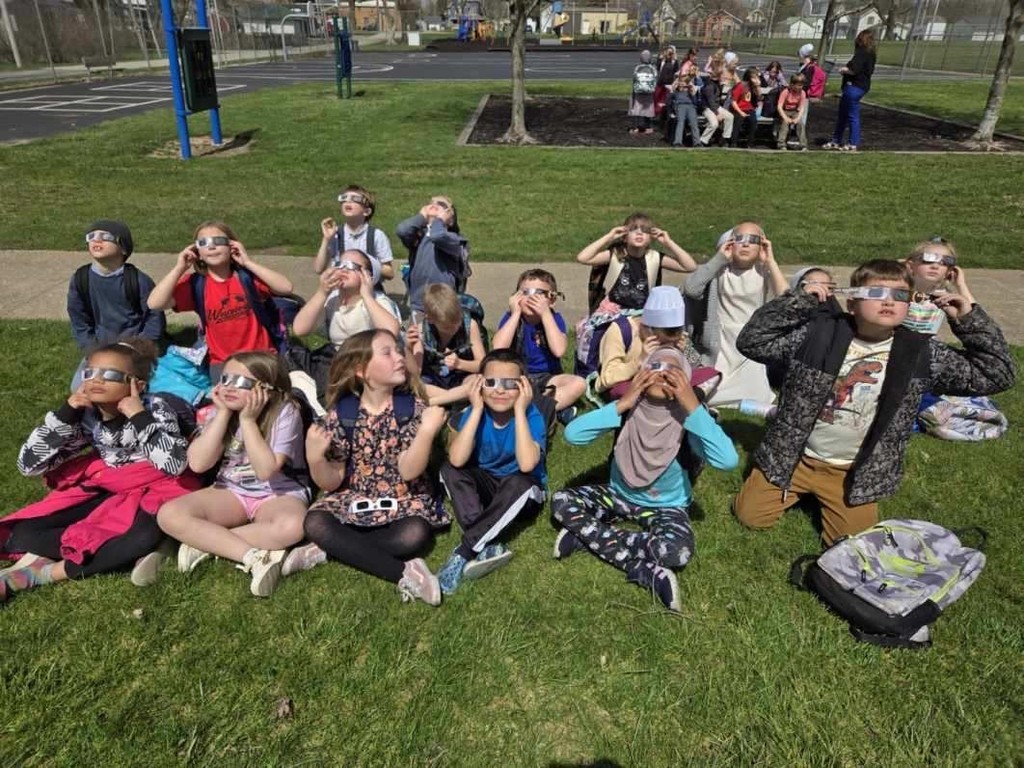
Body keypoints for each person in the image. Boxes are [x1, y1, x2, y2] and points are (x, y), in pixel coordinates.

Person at [732, 259, 1015, 545]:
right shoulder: (817, 335)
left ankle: (831, 498)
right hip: (793, 459)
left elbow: (996, 374)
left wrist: (966, 321)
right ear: (852, 303)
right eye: (876, 293)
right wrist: (798, 301)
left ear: (911, 304)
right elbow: (752, 341)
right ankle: (788, 488)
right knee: (751, 518)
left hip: (853, 472)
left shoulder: (921, 353)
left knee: (849, 543)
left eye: (900, 295)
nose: (889, 301)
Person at [0, 338, 197, 602]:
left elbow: (173, 464)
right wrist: (66, 414)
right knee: (25, 532)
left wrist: (139, 417)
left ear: (137, 385)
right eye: (90, 372)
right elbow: (29, 464)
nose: (97, 380)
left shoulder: (156, 408)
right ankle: (114, 549)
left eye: (111, 374)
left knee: (139, 536)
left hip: (158, 491)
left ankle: (42, 574)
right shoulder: (89, 417)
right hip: (111, 486)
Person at [551, 349, 738, 612]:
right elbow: (572, 434)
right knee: (561, 500)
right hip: (617, 495)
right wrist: (622, 403)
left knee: (676, 551)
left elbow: (727, 460)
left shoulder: (689, 419)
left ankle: (588, 537)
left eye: (673, 372)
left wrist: (693, 407)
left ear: (686, 382)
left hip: (666, 507)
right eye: (655, 367)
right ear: (641, 376)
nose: (662, 375)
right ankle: (639, 568)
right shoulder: (628, 409)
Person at [281, 329, 449, 606]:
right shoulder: (343, 413)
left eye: (398, 351)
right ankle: (405, 572)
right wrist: (315, 458)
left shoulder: (412, 409)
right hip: (355, 495)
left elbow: (409, 472)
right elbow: (332, 482)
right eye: (388, 353)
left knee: (413, 535)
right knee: (314, 522)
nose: (399, 357)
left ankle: (330, 550)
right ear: (362, 370)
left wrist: (427, 433)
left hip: (403, 498)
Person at [156, 352, 310, 597]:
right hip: (231, 490)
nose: (229, 388)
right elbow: (197, 464)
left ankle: (204, 544)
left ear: (267, 389)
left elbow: (266, 471)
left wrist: (248, 422)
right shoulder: (220, 411)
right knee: (169, 514)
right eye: (225, 379)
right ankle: (255, 556)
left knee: (293, 526)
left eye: (241, 383)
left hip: (278, 492)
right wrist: (223, 415)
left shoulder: (285, 410)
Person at [435, 350, 548, 594]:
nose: (499, 390)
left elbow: (528, 465)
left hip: (523, 493)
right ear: (479, 384)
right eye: (491, 382)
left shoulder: (532, 416)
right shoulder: (474, 413)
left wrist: (520, 411)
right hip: (488, 486)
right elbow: (456, 459)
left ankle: (463, 552)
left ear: (524, 387)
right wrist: (475, 410)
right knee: (449, 469)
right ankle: (489, 540)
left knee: (521, 482)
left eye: (510, 384)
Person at [147, 221, 295, 380]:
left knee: (267, 400)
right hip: (222, 362)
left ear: (232, 246)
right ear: (197, 252)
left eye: (218, 241)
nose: (212, 246)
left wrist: (248, 262)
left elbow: (286, 287)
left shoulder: (247, 277)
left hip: (261, 357)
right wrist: (179, 268)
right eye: (203, 243)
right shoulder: (196, 284)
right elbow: (154, 303)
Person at [682, 223, 788, 408]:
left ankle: (749, 401)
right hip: (722, 337)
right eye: (740, 239)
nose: (746, 245)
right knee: (716, 387)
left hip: (751, 337)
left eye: (753, 240)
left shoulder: (763, 271)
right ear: (730, 243)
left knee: (754, 388)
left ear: (762, 245)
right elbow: (691, 289)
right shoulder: (720, 271)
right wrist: (719, 259)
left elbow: (787, 300)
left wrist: (771, 261)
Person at [290, 248, 401, 401]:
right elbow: (300, 329)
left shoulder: (377, 301)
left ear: (368, 276)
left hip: (366, 361)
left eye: (352, 266)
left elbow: (391, 332)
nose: (343, 269)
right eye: (339, 264)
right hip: (337, 359)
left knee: (331, 382)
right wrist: (322, 292)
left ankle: (329, 405)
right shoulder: (332, 300)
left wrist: (367, 296)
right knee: (293, 355)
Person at [492, 269, 585, 425]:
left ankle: (533, 408)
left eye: (538, 293)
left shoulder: (555, 319)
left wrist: (545, 314)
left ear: (552, 300)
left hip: (547, 377)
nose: (531, 298)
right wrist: (515, 314)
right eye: (525, 292)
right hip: (517, 376)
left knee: (579, 384)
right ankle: (552, 408)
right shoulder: (511, 318)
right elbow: (498, 348)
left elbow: (559, 350)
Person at [68, 219, 165, 362]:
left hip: (135, 349)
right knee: (80, 384)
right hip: (99, 348)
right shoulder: (80, 279)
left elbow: (155, 317)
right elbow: (79, 319)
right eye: (91, 237)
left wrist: (140, 346)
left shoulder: (138, 280)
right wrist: (91, 347)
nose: (97, 240)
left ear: (123, 248)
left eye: (106, 237)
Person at [595, 286, 703, 400]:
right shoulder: (620, 331)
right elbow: (607, 379)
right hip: (632, 384)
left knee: (711, 375)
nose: (665, 346)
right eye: (662, 342)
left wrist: (684, 353)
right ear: (646, 328)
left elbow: (697, 365)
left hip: (663, 378)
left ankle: (691, 404)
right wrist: (640, 360)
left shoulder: (677, 334)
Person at [577, 213, 696, 314]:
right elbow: (583, 258)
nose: (639, 233)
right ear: (624, 237)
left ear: (651, 238)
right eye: (634, 229)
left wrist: (669, 243)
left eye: (645, 231)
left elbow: (690, 266)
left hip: (643, 312)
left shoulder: (655, 257)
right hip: (613, 311)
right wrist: (609, 237)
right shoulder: (616, 254)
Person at [405, 283, 486, 407]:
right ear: (430, 319)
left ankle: (434, 402)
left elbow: (483, 365)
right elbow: (417, 371)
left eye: (458, 320)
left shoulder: (470, 325)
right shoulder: (421, 331)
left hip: (462, 377)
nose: (455, 328)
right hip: (434, 380)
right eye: (447, 327)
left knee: (476, 381)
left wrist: (460, 364)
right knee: (417, 384)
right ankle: (456, 399)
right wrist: (409, 347)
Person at [396, 195, 470, 315]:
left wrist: (439, 221)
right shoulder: (419, 237)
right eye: (430, 203)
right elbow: (402, 230)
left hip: (443, 302)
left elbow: (437, 236)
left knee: (439, 332)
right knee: (416, 333)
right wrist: (421, 217)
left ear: (451, 219)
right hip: (418, 302)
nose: (434, 204)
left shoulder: (454, 239)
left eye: (442, 205)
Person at [314, 184, 395, 283]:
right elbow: (318, 269)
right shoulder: (336, 234)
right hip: (340, 287)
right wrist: (326, 239)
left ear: (366, 211)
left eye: (355, 199)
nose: (348, 201)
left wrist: (364, 263)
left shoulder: (377, 235)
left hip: (370, 289)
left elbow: (390, 272)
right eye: (344, 199)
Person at [903, 237, 975, 337]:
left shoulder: (944, 295)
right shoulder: (900, 290)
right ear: (911, 266)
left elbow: (974, 317)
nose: (935, 266)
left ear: (949, 271)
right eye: (928, 260)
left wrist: (961, 285)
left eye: (944, 263)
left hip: (928, 346)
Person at [824, 29, 876, 151]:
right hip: (858, 86)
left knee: (852, 115)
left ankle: (853, 143)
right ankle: (836, 140)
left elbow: (854, 69)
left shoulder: (862, 53)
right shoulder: (870, 53)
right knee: (843, 114)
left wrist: (843, 70)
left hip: (855, 87)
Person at [699, 72, 733, 147]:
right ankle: (703, 140)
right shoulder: (710, 86)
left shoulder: (718, 85)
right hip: (707, 108)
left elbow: (717, 101)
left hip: (716, 106)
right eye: (723, 77)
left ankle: (725, 138)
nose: (725, 79)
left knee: (730, 117)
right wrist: (717, 114)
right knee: (714, 124)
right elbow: (710, 102)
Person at [774, 74, 808, 151]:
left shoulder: (802, 93)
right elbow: (779, 106)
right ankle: (781, 143)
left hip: (794, 111)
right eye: (798, 85)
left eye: (801, 85)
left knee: (800, 123)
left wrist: (797, 118)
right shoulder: (785, 92)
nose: (800, 87)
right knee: (784, 123)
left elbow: (802, 107)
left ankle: (803, 144)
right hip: (784, 110)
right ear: (792, 85)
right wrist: (785, 117)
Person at [628, 50, 658, 135]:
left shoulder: (637, 68)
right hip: (649, 93)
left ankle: (635, 127)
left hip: (638, 92)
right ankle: (647, 127)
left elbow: (634, 80)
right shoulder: (652, 68)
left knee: (636, 108)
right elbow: (655, 79)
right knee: (648, 109)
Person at [669, 72, 702, 147]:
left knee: (694, 123)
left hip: (691, 106)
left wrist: (690, 88)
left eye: (684, 82)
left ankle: (697, 142)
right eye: (681, 82)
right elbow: (671, 92)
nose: (682, 84)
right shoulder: (677, 90)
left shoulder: (690, 89)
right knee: (680, 122)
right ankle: (677, 142)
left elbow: (695, 100)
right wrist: (677, 82)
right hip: (680, 106)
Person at [729, 68, 760, 148]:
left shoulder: (753, 87)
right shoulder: (741, 86)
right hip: (739, 109)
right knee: (738, 123)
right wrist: (740, 112)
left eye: (756, 77)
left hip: (749, 109)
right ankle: (734, 143)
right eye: (754, 78)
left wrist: (758, 86)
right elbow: (733, 102)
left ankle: (750, 143)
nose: (755, 80)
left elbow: (759, 97)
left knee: (753, 122)